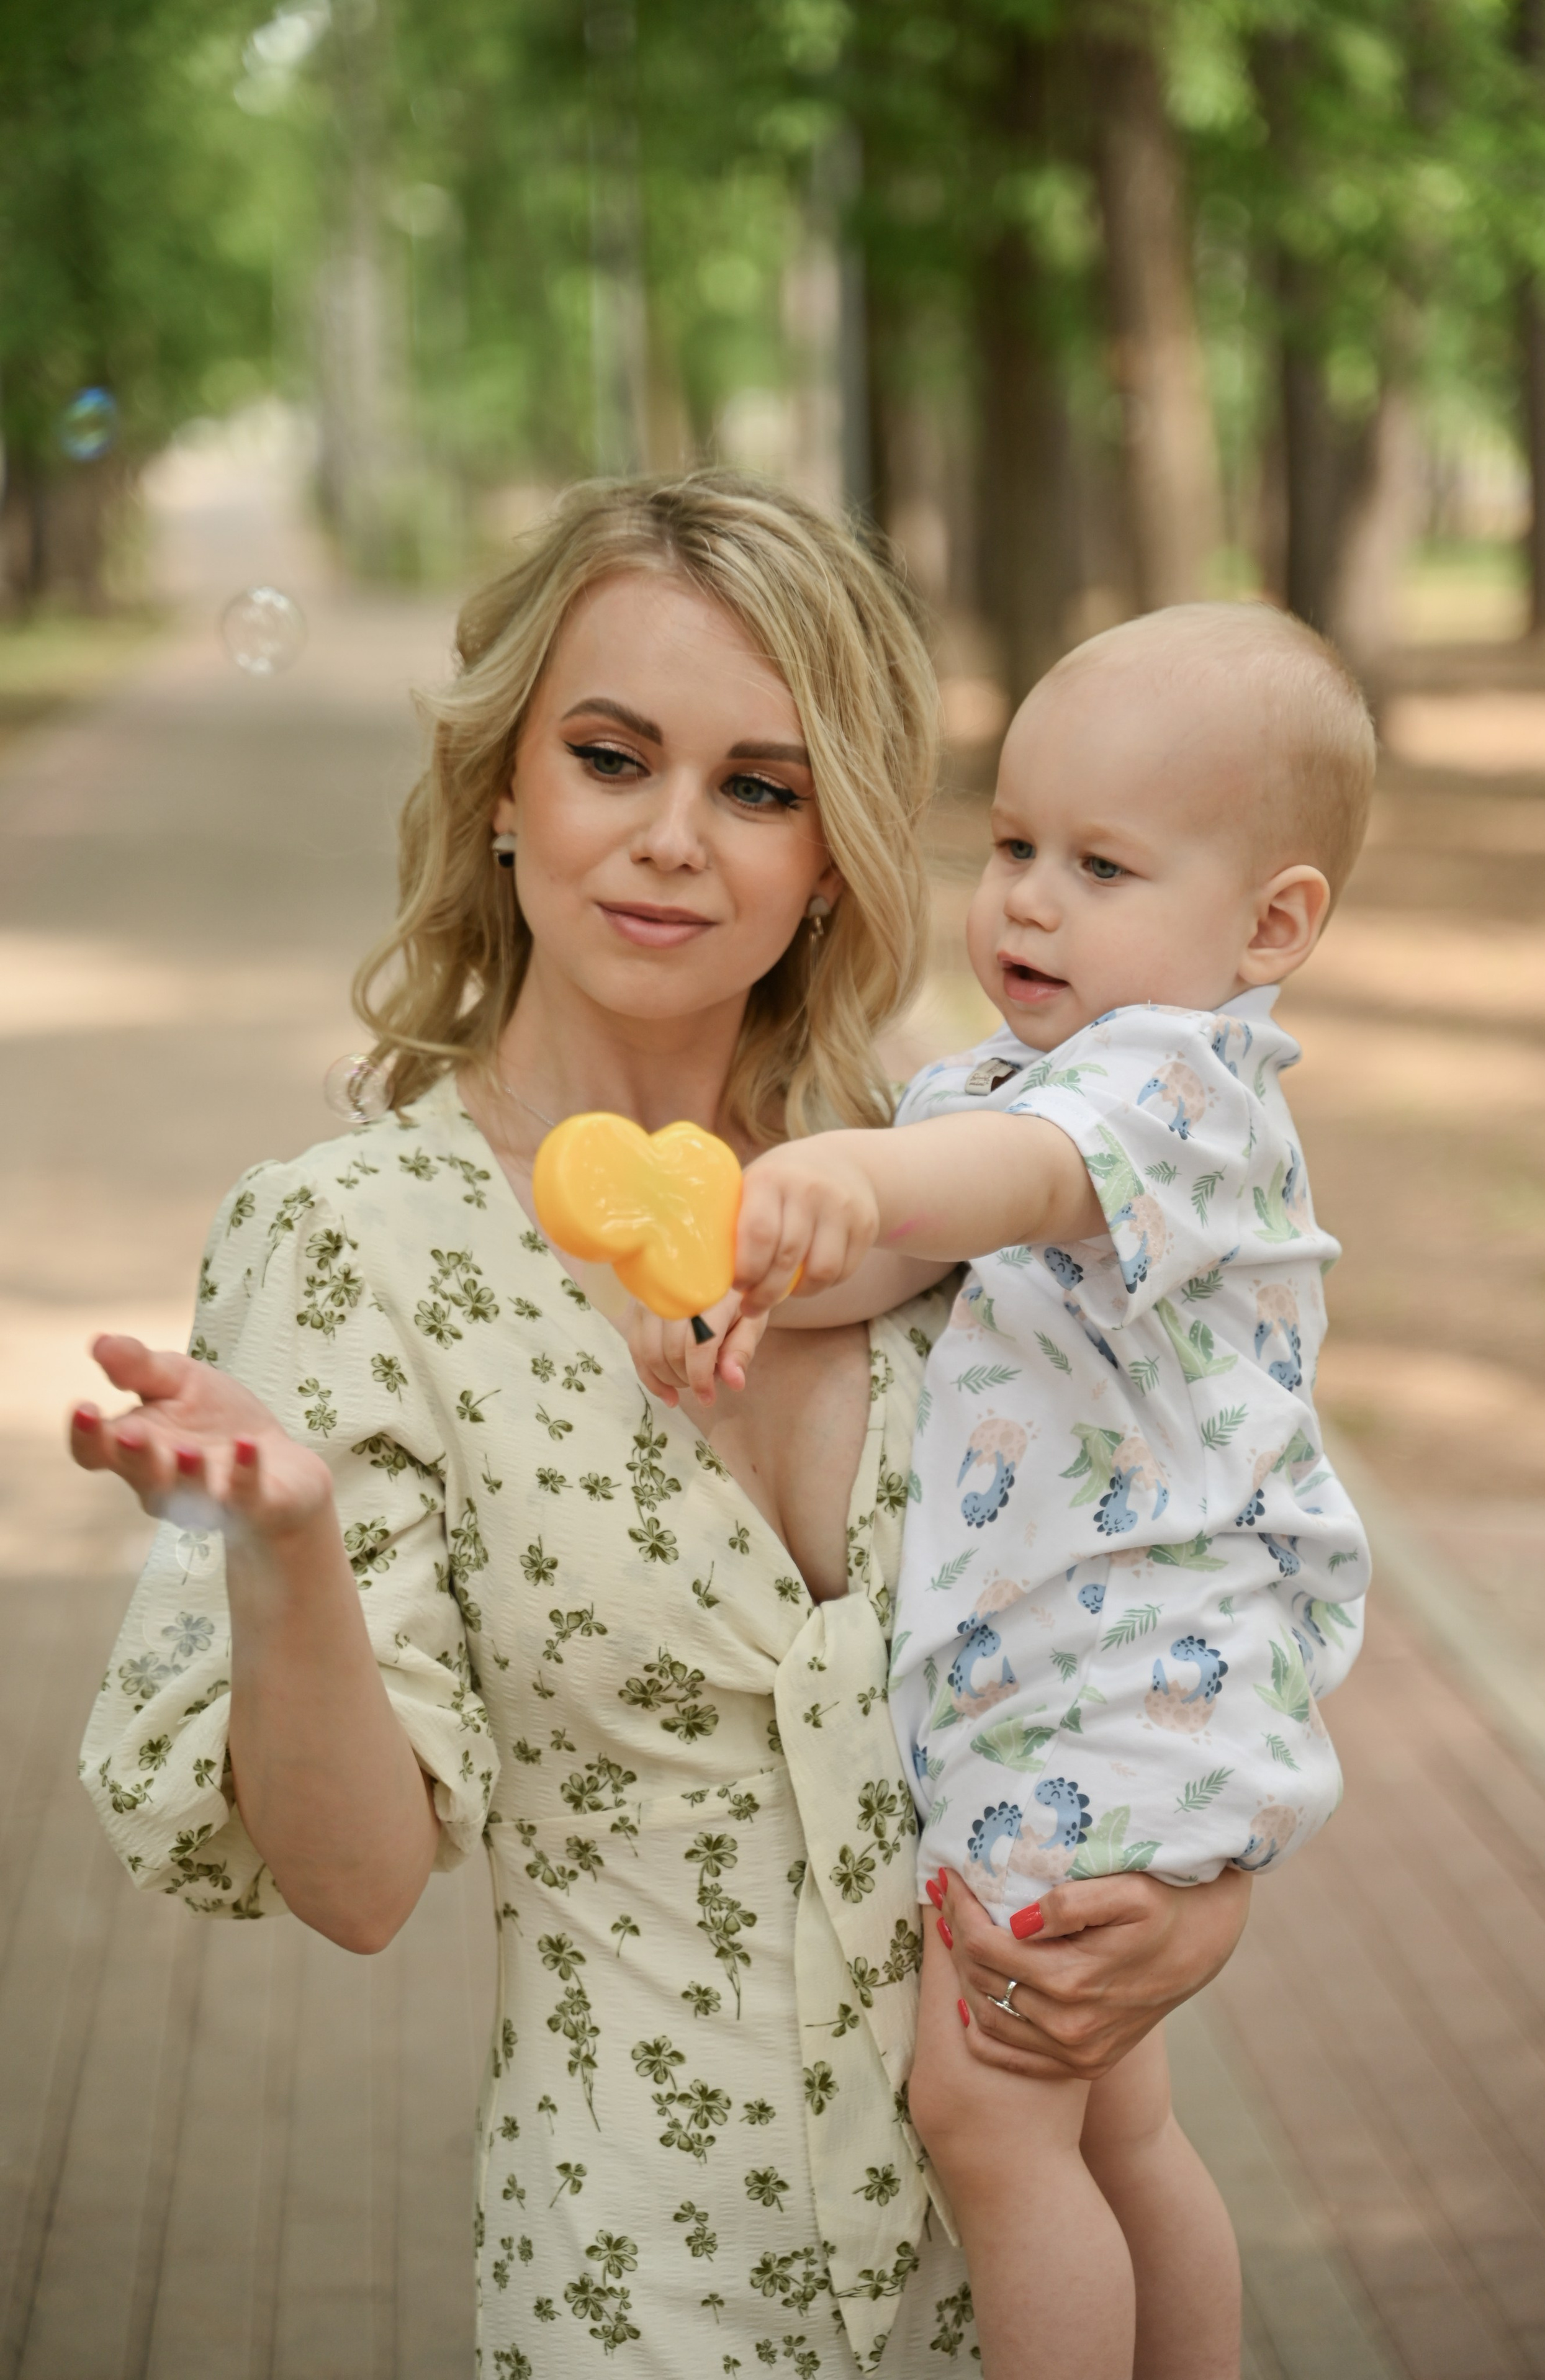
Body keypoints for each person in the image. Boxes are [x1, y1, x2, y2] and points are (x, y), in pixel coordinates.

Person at [72, 477, 1255, 2379]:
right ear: (502, 787)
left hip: (1045, 2280)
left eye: (761, 788)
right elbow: (359, 1886)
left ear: (834, 855)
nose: (672, 842)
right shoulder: (351, 1246)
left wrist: (1209, 1896)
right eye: (609, 756)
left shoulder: (954, 1191)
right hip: (655, 2296)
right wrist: (290, 1553)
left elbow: (1192, 1575)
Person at [627, 600, 1375, 2379]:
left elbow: (1002, 1188)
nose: (1028, 899)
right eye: (1015, 843)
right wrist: (748, 1284)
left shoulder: (1185, 1092)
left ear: (1270, 924)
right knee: (1115, 2126)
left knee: (987, 2105)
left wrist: (848, 1173)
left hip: (1122, 1696)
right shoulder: (1004, 1079)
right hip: (1065, 1698)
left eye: (1103, 863)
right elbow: (898, 1262)